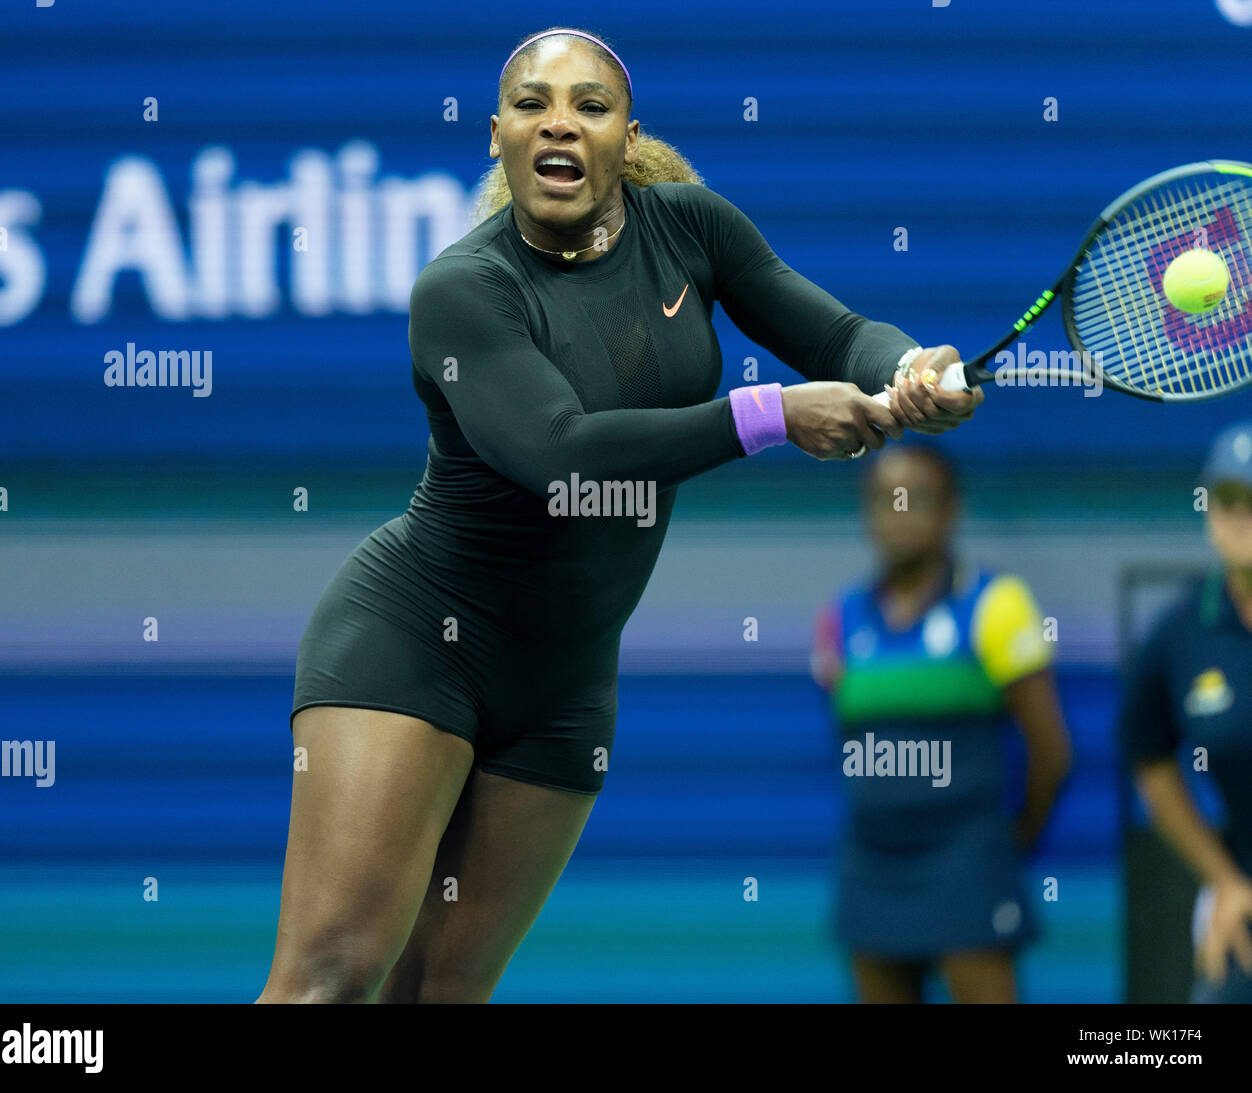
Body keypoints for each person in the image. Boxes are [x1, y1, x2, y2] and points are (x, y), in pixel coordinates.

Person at [257, 25, 982, 1004]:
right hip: (414, 644)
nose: (559, 123)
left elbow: (838, 332)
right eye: (532, 104)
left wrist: (904, 367)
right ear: (496, 135)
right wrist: (770, 413)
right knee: (330, 978)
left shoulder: (692, 229)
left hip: (564, 683)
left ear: (622, 134)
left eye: (588, 106)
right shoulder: (463, 292)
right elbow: (561, 456)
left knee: (439, 992)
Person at [812, 445, 1071, 1003]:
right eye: (885, 500)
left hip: (967, 862)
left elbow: (1051, 754)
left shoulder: (997, 605)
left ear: (952, 510)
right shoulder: (840, 618)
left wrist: (1009, 846)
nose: (900, 513)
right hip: (871, 863)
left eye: (919, 499)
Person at [1122, 419, 1252, 1004]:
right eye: (1228, 498)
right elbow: (1147, 754)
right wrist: (1224, 880)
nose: (1242, 514)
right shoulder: (1180, 632)